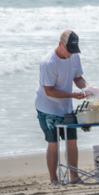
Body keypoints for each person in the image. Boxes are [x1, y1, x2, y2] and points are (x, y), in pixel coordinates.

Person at [36, 30, 89, 185]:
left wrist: (86, 88)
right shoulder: (49, 63)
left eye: (74, 51)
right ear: (60, 44)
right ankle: (54, 179)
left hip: (66, 107)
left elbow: (78, 78)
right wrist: (72, 95)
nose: (71, 54)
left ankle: (74, 177)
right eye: (69, 50)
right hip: (47, 107)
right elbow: (49, 91)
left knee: (72, 141)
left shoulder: (74, 57)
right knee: (54, 143)